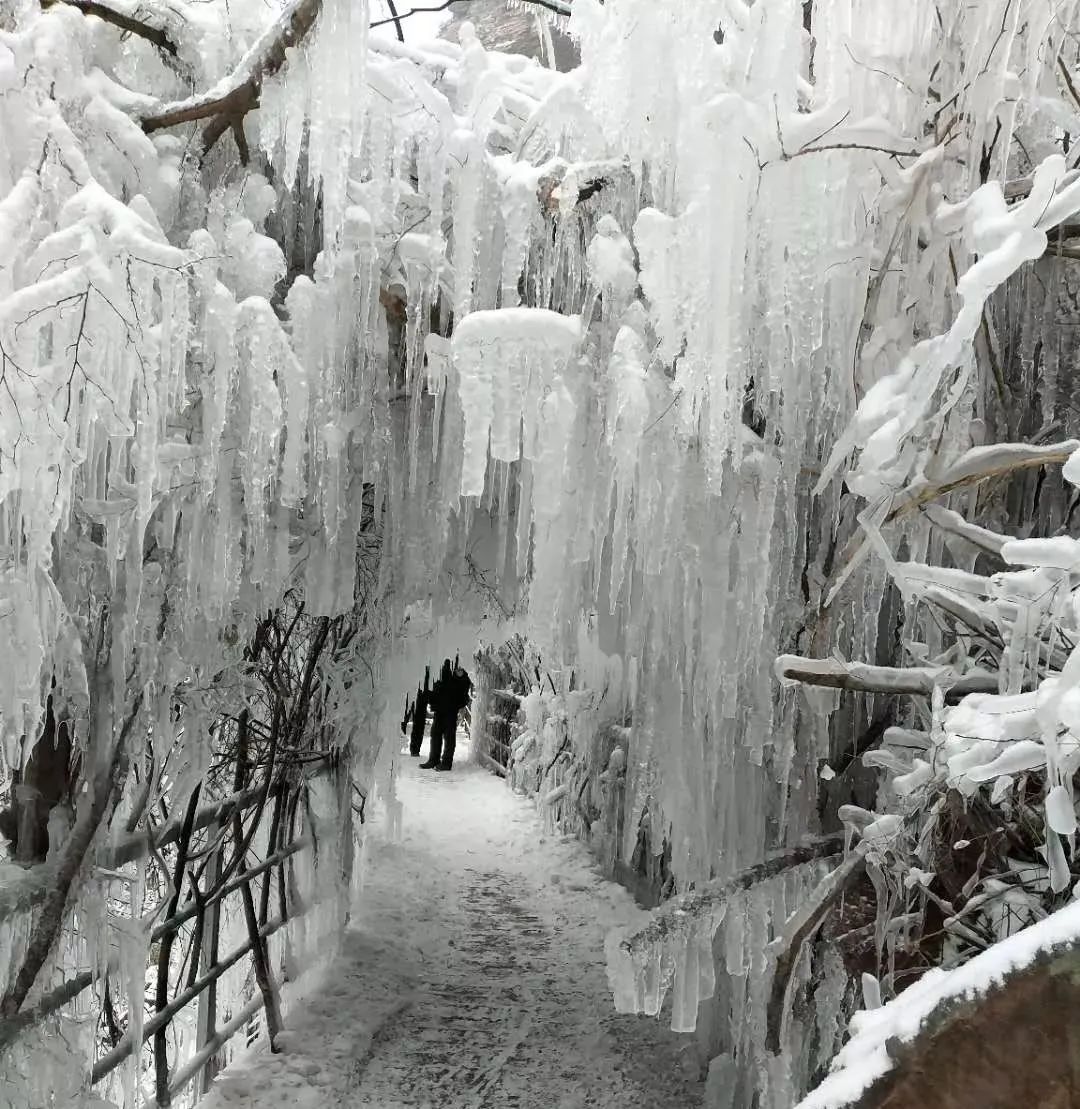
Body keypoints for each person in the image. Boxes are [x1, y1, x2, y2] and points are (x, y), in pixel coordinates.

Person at [421, 658, 472, 771]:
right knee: (436, 733)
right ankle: (433, 759)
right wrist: (430, 697)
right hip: (440, 702)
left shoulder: (457, 661)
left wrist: (461, 675)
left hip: (451, 704)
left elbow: (465, 682)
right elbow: (433, 680)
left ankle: (446, 762)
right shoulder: (440, 659)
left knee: (449, 734)